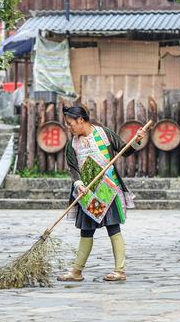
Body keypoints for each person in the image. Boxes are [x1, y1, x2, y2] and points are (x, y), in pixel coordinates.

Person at [57, 105, 146, 282]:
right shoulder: (72, 144)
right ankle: (77, 271)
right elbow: (74, 169)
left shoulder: (103, 133)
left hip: (107, 189)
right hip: (87, 193)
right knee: (86, 231)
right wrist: (79, 184)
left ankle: (119, 271)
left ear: (81, 120)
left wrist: (136, 140)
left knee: (113, 227)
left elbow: (124, 150)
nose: (69, 127)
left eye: (70, 123)